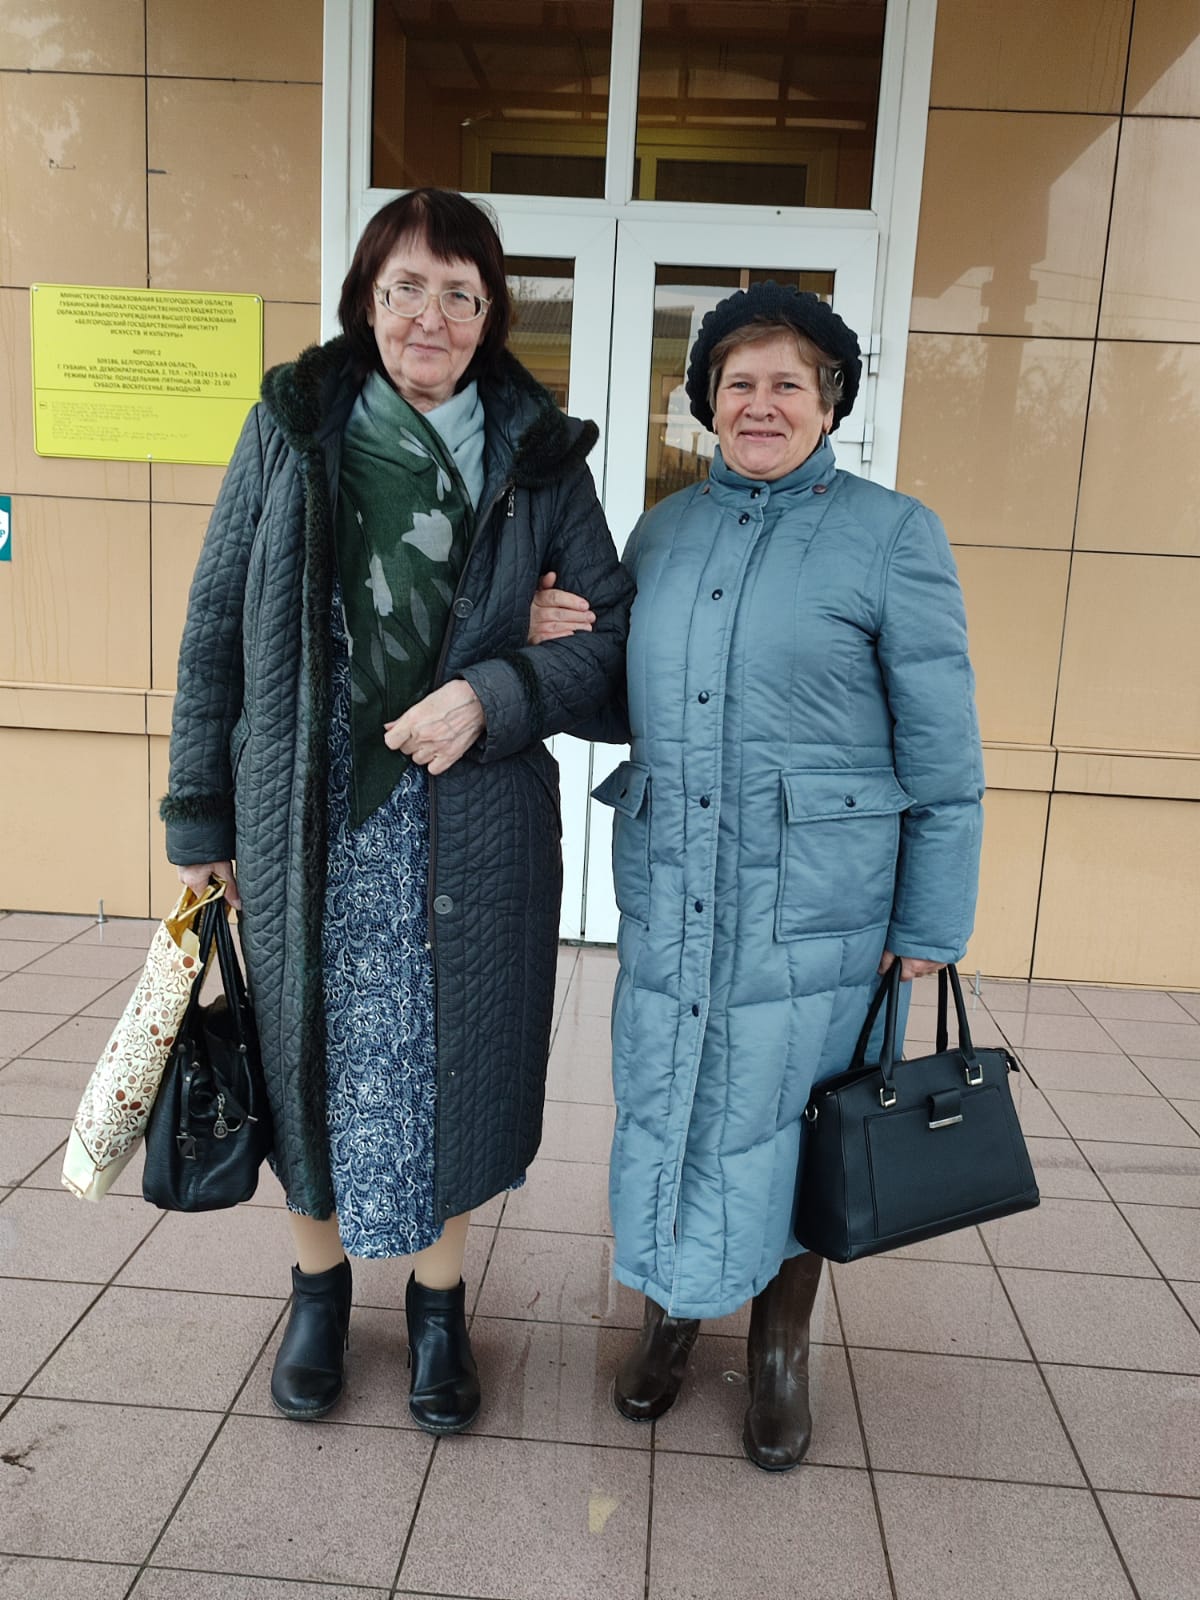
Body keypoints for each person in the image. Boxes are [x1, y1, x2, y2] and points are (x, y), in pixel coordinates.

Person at [162, 188, 632, 1434]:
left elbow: (614, 652)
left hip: (471, 820)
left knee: (451, 1064)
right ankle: (318, 1294)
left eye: (461, 294)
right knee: (307, 1055)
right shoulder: (289, 431)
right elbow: (214, 632)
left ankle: (437, 1305)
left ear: (491, 315)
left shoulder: (539, 460)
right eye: (408, 287)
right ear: (366, 300)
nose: (433, 315)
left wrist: (495, 687)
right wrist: (199, 824)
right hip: (306, 817)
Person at [529, 282, 984, 1470]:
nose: (762, 403)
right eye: (740, 382)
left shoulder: (895, 535)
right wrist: (555, 643)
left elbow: (944, 754)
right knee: (672, 1101)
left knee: (790, 1121)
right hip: (677, 888)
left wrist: (931, 922)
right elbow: (630, 705)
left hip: (820, 906)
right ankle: (674, 1311)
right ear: (706, 404)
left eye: (790, 382)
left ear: (831, 402)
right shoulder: (664, 533)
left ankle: (781, 1341)